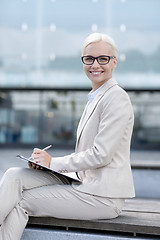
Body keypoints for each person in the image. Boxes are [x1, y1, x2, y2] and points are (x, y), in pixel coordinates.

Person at [0, 32, 135, 240]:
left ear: (114, 62)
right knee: (13, 176)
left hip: (103, 196)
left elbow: (102, 155)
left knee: (23, 201)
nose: (95, 65)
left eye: (103, 59)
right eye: (89, 59)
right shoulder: (96, 97)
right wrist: (45, 165)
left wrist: (53, 162)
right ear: (83, 62)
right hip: (82, 181)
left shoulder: (117, 97)